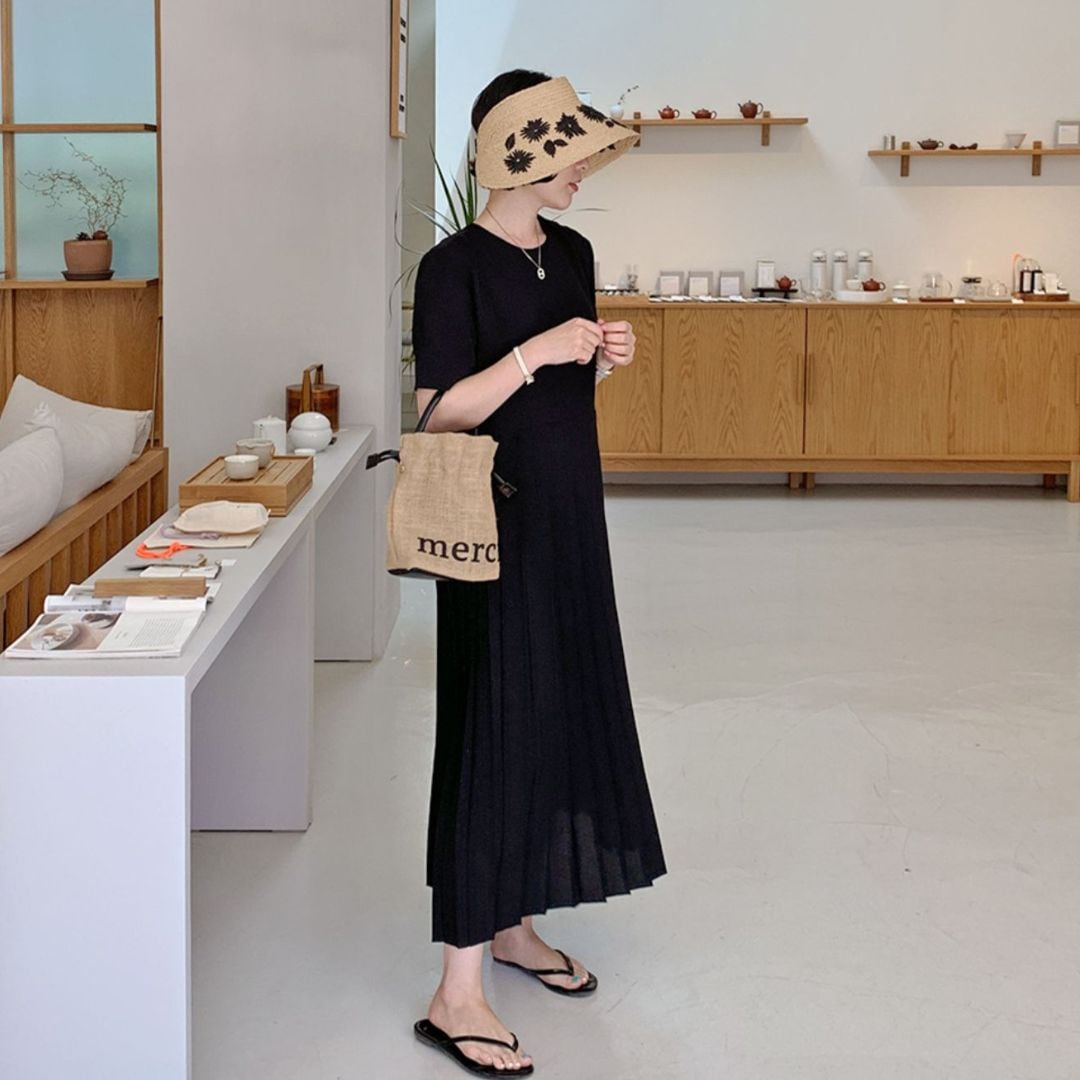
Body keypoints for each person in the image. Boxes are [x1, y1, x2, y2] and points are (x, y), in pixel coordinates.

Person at [410, 70, 667, 1076]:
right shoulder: (451, 269)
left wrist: (598, 356)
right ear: (518, 154)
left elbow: (563, 392)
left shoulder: (575, 254)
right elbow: (439, 413)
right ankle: (455, 991)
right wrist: (535, 353)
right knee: (492, 729)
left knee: (554, 713)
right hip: (492, 530)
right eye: (570, 152)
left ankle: (513, 925)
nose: (583, 170)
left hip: (569, 520)